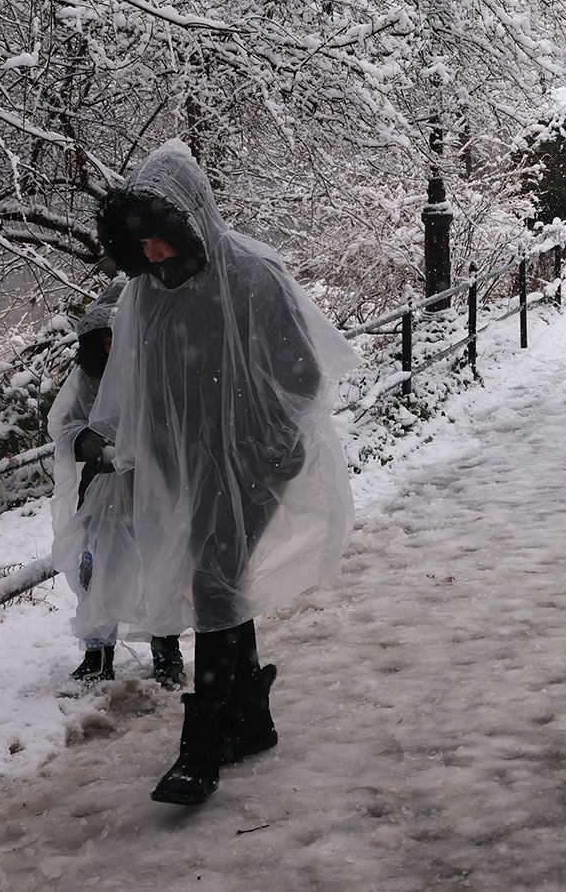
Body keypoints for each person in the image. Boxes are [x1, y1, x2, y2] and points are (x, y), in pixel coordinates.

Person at [91, 140, 359, 807]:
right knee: (221, 578)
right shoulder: (147, 294)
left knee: (213, 577)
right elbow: (139, 382)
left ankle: (201, 748)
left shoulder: (250, 274)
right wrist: (144, 449)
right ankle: (253, 717)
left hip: (254, 460)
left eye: (162, 237)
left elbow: (301, 371)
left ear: (191, 220)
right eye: (141, 242)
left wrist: (252, 442)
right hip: (188, 463)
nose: (153, 254)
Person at [50, 283, 184, 687]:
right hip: (101, 485)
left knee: (159, 560)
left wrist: (144, 448)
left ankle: (166, 650)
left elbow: (175, 418)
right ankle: (98, 653)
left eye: (116, 338)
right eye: (102, 340)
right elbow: (65, 424)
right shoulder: (86, 378)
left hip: (153, 482)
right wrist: (96, 446)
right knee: (95, 565)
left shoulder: (154, 367)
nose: (110, 348)